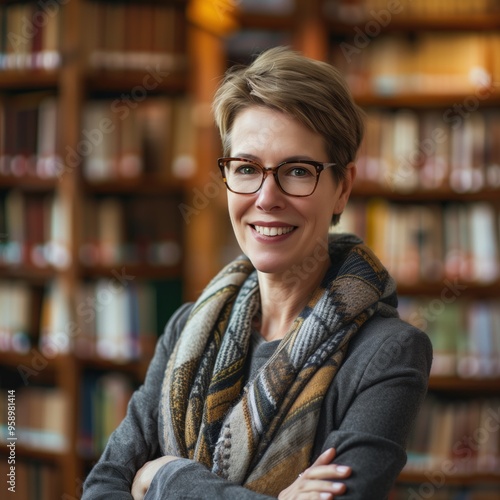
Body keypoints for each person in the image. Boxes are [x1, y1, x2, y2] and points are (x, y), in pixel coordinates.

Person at [82, 46, 432, 500]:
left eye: (297, 171)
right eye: (246, 168)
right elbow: (101, 488)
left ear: (342, 187)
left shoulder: (389, 354)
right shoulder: (187, 328)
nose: (267, 197)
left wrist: (165, 478)